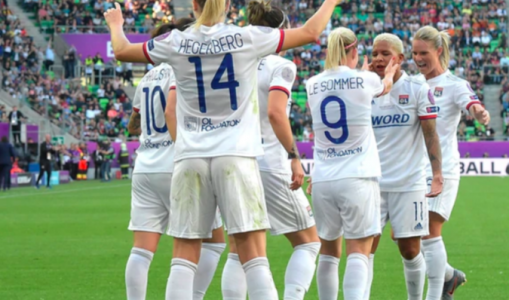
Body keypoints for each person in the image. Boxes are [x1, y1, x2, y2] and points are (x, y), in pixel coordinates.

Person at [105, 0, 340, 297]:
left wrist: (116, 24)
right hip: (235, 155)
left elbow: (123, 50)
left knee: (184, 254)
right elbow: (310, 31)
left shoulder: (176, 41)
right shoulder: (247, 37)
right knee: (252, 253)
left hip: (190, 156)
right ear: (227, 3)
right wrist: (330, 2)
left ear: (194, 4)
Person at [221, 4, 320, 300]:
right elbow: (276, 113)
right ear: (281, 31)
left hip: (234, 158)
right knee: (309, 242)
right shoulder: (280, 65)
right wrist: (294, 156)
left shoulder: (233, 60)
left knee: (241, 247)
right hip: (268, 161)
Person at [125, 19, 226, 300]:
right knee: (213, 243)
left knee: (141, 250)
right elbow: (172, 112)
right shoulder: (183, 68)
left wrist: (149, 123)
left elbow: (133, 124)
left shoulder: (147, 76)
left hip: (145, 165)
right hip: (174, 163)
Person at [306, 27, 398, 300]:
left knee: (329, 252)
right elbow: (385, 87)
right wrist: (389, 74)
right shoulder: (366, 79)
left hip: (323, 177)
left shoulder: (312, 84)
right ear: (355, 51)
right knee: (358, 250)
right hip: (357, 175)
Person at [412, 26, 491, 300]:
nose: (418, 58)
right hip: (411, 172)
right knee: (406, 239)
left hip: (441, 171)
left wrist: (479, 112)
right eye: (414, 53)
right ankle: (449, 275)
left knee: (429, 234)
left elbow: (472, 103)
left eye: (424, 53)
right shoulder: (412, 83)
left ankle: (438, 291)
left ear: (439, 51)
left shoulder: (455, 84)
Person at [363, 33, 443, 300]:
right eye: (374, 53)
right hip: (370, 184)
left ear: (400, 59)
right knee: (365, 250)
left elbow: (431, 134)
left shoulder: (418, 90)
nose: (377, 59)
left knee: (410, 250)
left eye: (384, 54)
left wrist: (437, 175)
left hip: (408, 185)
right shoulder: (363, 90)